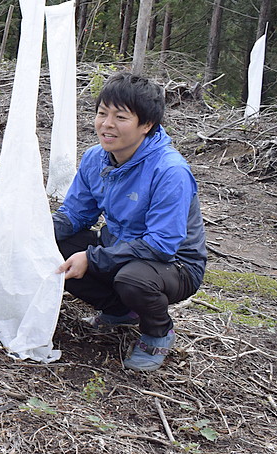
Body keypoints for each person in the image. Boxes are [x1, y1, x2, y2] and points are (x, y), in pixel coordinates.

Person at [53, 72, 206, 371]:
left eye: (120, 117)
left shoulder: (170, 171)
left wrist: (93, 259)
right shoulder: (96, 158)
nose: (106, 125)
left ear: (147, 125)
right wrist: (35, 231)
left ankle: (158, 333)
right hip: (122, 248)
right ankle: (119, 311)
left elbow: (161, 245)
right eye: (101, 113)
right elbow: (75, 214)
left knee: (133, 279)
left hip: (175, 264)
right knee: (55, 244)